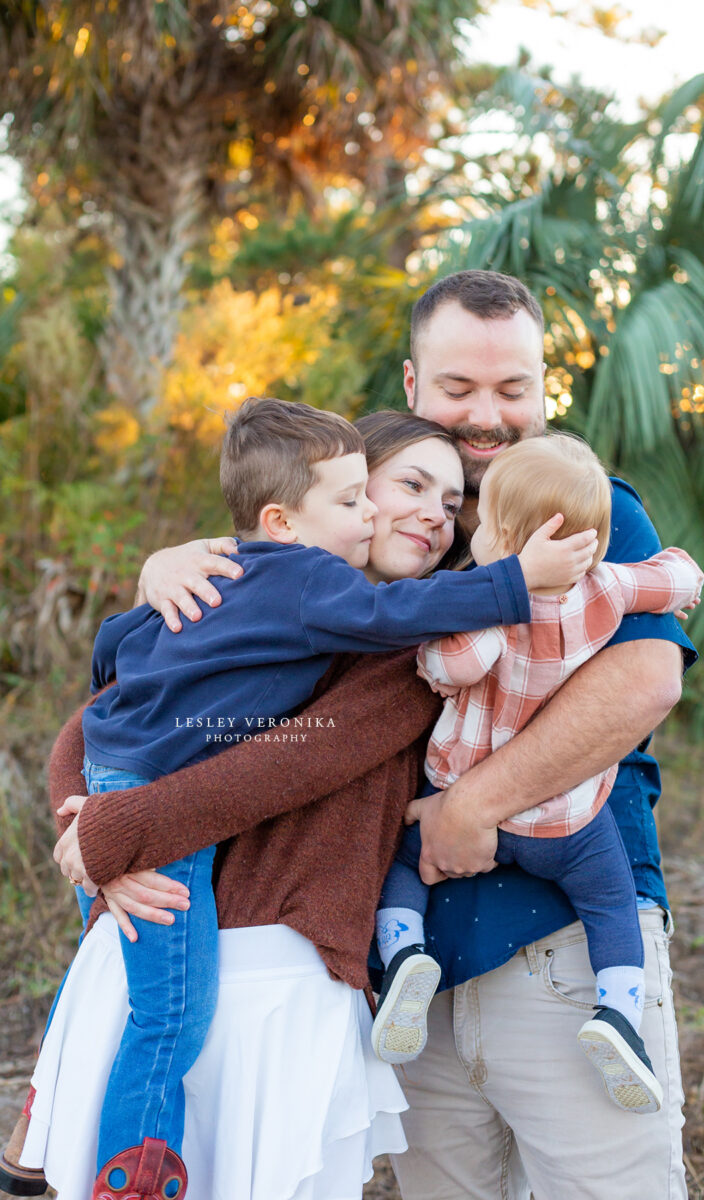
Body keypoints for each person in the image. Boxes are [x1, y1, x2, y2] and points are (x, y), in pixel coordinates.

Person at [5, 271, 695, 1200]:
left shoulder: (569, 514)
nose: (485, 418)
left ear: (544, 391)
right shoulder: (315, 585)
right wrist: (93, 822)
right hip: (379, 956)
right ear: (406, 397)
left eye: (513, 390)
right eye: (458, 391)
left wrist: (117, 831)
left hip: (551, 934)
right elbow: (112, 713)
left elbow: (644, 677)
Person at [70, 394, 589, 1197]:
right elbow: (91, 725)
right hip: (203, 945)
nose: (432, 515)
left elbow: (284, 762)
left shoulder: (407, 661)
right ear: (343, 496)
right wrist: (91, 838)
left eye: (452, 504)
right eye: (406, 487)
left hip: (260, 956)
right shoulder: (255, 587)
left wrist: (104, 838)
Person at [371, 434, 704, 1124]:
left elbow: (448, 668)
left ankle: (404, 955)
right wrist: (684, 581)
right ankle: (617, 1011)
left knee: (408, 857)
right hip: (565, 820)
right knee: (612, 899)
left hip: (460, 789)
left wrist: (489, 582)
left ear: (513, 539)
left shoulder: (491, 609)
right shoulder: (607, 587)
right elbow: (676, 577)